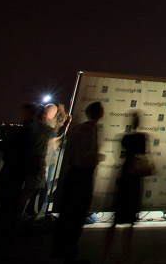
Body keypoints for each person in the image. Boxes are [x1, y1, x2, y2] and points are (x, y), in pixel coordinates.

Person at [52, 101, 104, 263]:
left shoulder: (79, 128)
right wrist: (94, 159)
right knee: (76, 215)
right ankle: (69, 252)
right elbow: (82, 155)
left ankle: (62, 250)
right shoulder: (90, 129)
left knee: (69, 215)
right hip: (81, 176)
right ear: (98, 113)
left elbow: (71, 151)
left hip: (74, 174)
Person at [0, 103, 40, 243]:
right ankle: (7, 234)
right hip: (20, 172)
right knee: (11, 204)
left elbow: (13, 148)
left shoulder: (27, 129)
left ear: (28, 113)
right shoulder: (35, 128)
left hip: (12, 170)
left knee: (4, 203)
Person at [104, 111, 148, 260]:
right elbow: (143, 154)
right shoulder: (142, 138)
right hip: (134, 180)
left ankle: (105, 254)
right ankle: (125, 255)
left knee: (116, 220)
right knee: (129, 223)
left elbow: (119, 155)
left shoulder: (124, 138)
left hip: (125, 177)